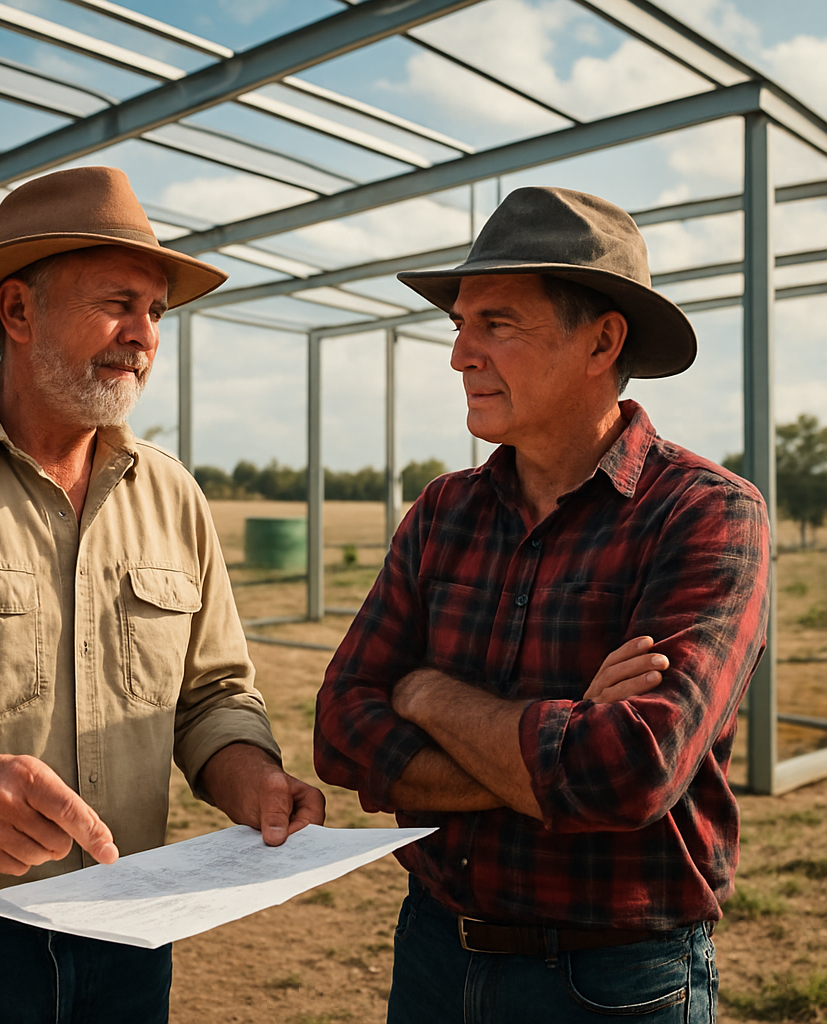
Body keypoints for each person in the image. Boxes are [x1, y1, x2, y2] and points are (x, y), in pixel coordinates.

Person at [0, 165, 324, 1024]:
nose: (143, 336)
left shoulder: (173, 496)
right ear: (18, 312)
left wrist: (255, 778)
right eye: (118, 303)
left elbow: (213, 696)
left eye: (156, 312)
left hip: (129, 937)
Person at [313, 186, 770, 1023]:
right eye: (459, 324)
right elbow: (341, 732)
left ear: (602, 341)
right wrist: (544, 755)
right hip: (434, 953)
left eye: (496, 323)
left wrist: (425, 695)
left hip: (616, 982)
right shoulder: (443, 511)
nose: (459, 354)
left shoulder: (708, 513)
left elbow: (629, 771)